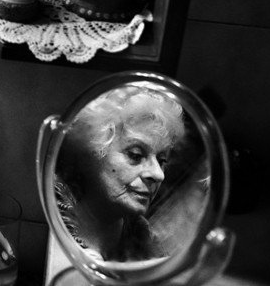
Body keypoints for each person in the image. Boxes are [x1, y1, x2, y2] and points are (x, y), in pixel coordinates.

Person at [55, 85, 185, 262]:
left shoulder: (142, 238)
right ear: (91, 152)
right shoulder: (50, 211)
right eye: (135, 155)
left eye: (162, 161)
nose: (158, 174)